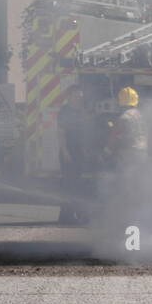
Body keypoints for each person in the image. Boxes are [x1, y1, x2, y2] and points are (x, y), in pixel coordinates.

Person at [57, 86, 90, 223]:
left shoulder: (80, 111)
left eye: (81, 96)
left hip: (78, 152)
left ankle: (71, 214)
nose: (79, 98)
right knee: (69, 185)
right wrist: (65, 151)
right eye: (77, 96)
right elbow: (61, 132)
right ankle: (66, 216)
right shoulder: (65, 111)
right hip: (69, 152)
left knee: (77, 185)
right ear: (70, 96)